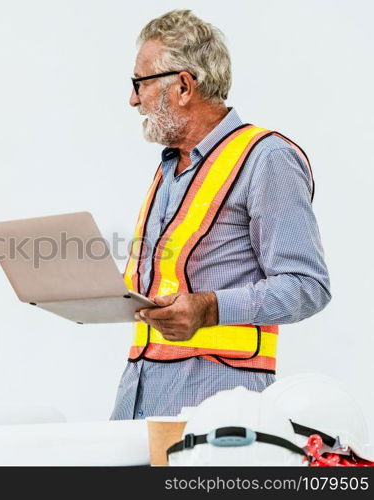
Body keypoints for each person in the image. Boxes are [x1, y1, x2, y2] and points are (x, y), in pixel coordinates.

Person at [111, 11, 330, 420]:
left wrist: (211, 308)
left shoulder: (267, 159)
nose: (133, 99)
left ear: (182, 86)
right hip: (139, 400)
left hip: (218, 410)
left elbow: (308, 287)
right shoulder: (170, 170)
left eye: (139, 84)